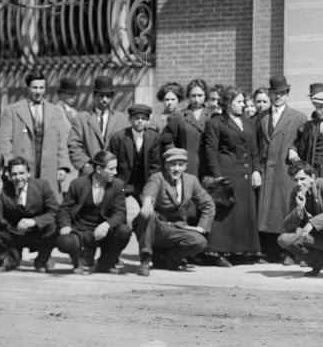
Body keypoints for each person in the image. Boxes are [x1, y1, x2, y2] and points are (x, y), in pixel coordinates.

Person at [200, 86, 262, 265]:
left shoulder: (247, 121)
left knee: (243, 212)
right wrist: (218, 176)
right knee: (227, 213)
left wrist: (256, 169)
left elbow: (253, 149)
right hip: (227, 171)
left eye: (243, 101)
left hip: (245, 172)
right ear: (228, 103)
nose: (243, 105)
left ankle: (242, 249)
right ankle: (219, 251)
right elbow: (211, 151)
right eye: (239, 101)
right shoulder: (216, 122)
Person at [134, 147, 216, 276]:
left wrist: (202, 227)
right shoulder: (157, 178)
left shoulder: (191, 180)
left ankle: (169, 258)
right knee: (149, 215)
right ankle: (145, 258)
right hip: (157, 228)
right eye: (173, 165)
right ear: (166, 165)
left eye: (180, 165)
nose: (177, 169)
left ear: (185, 166)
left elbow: (208, 204)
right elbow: (150, 192)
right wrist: (147, 203)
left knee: (200, 242)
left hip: (177, 228)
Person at [254, 75, 307, 263]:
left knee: (285, 210)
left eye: (282, 93)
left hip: (286, 172)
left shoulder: (299, 118)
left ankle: (289, 253)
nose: (278, 97)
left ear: (287, 95)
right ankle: (270, 252)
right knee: (267, 212)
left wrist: (299, 173)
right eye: (275, 93)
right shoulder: (261, 118)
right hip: (267, 171)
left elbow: (303, 147)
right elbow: (256, 146)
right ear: (270, 94)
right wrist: (256, 169)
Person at [0, 156, 59, 272]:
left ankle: (42, 260)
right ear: (9, 176)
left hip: (37, 233)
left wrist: (34, 221)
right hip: (13, 233)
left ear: (28, 173)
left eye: (22, 173)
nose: (18, 178)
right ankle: (8, 258)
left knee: (55, 227)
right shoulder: (3, 188)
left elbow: (55, 211)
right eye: (14, 174)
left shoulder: (42, 186)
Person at [56, 150, 131, 274]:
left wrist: (107, 225)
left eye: (116, 168)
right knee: (65, 241)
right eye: (111, 169)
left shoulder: (119, 185)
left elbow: (120, 212)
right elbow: (65, 208)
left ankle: (106, 263)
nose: (115, 172)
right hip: (82, 229)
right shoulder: (78, 184)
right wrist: (65, 225)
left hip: (104, 231)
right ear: (99, 169)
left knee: (124, 231)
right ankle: (78, 259)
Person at [0, 72, 71, 194]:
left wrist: (62, 166)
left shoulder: (55, 111)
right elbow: (3, 141)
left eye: (41, 88)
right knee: (22, 201)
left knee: (48, 201)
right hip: (21, 168)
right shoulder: (12, 111)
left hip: (48, 167)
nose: (38, 92)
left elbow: (61, 141)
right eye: (34, 87)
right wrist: (8, 165)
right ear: (27, 88)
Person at [69, 75, 130, 176]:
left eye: (108, 96)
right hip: (90, 174)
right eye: (101, 95)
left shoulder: (122, 119)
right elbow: (73, 146)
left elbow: (126, 148)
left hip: (115, 175)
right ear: (94, 95)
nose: (105, 99)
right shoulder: (81, 119)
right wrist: (85, 166)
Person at [108, 104, 162, 204]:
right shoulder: (118, 137)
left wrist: (151, 186)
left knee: (147, 212)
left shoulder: (154, 137)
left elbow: (155, 165)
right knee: (120, 209)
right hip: (124, 184)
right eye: (136, 118)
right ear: (130, 119)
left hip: (144, 185)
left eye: (143, 118)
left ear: (148, 121)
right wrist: (116, 185)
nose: (140, 121)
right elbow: (111, 164)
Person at [160, 78, 211, 177]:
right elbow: (167, 140)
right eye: (193, 96)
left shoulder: (212, 116)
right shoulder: (179, 116)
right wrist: (177, 159)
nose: (196, 99)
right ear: (188, 96)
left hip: (208, 166)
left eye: (200, 95)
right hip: (187, 165)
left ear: (206, 95)